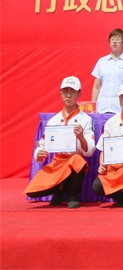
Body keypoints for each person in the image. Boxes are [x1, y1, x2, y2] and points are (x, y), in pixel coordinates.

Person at [24, 76, 95, 208]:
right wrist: (39, 153)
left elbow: (90, 150)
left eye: (72, 92)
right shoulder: (53, 121)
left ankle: (73, 194)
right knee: (33, 191)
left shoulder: (85, 119)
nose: (69, 95)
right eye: (65, 91)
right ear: (60, 94)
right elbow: (42, 144)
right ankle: (59, 190)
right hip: (57, 162)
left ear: (79, 94)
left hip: (74, 161)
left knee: (77, 161)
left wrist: (81, 137)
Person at [91, 28, 123, 114]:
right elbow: (96, 86)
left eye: (118, 39)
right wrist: (93, 106)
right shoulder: (102, 61)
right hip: (102, 106)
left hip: (120, 108)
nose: (114, 42)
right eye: (112, 39)